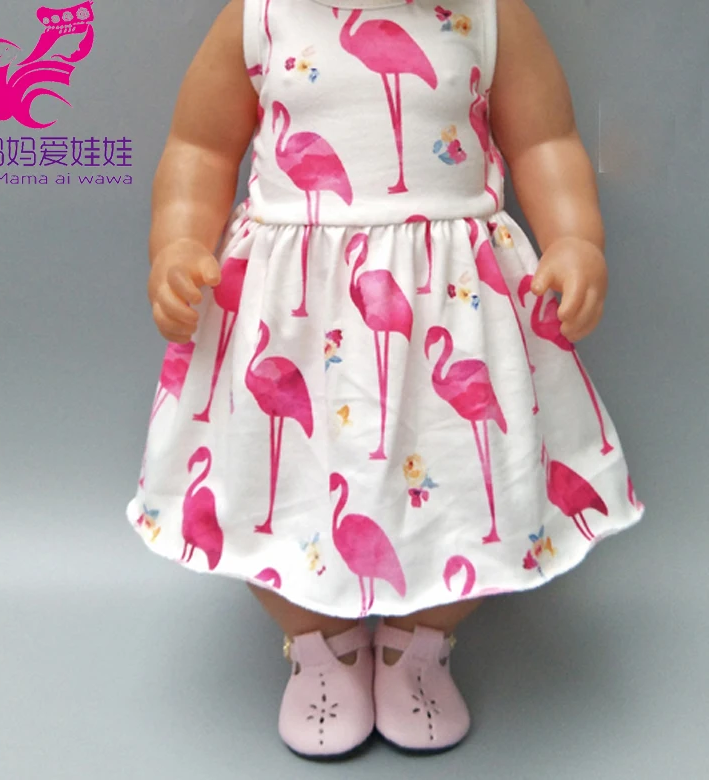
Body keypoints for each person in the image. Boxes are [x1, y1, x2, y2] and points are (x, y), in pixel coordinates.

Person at [127, 0, 645, 759]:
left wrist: (576, 239)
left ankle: (420, 644)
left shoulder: (487, 13)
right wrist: (177, 245)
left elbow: (545, 140)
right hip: (293, 314)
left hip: (453, 305)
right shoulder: (260, 14)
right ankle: (320, 648)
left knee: (466, 486)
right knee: (276, 485)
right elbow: (200, 147)